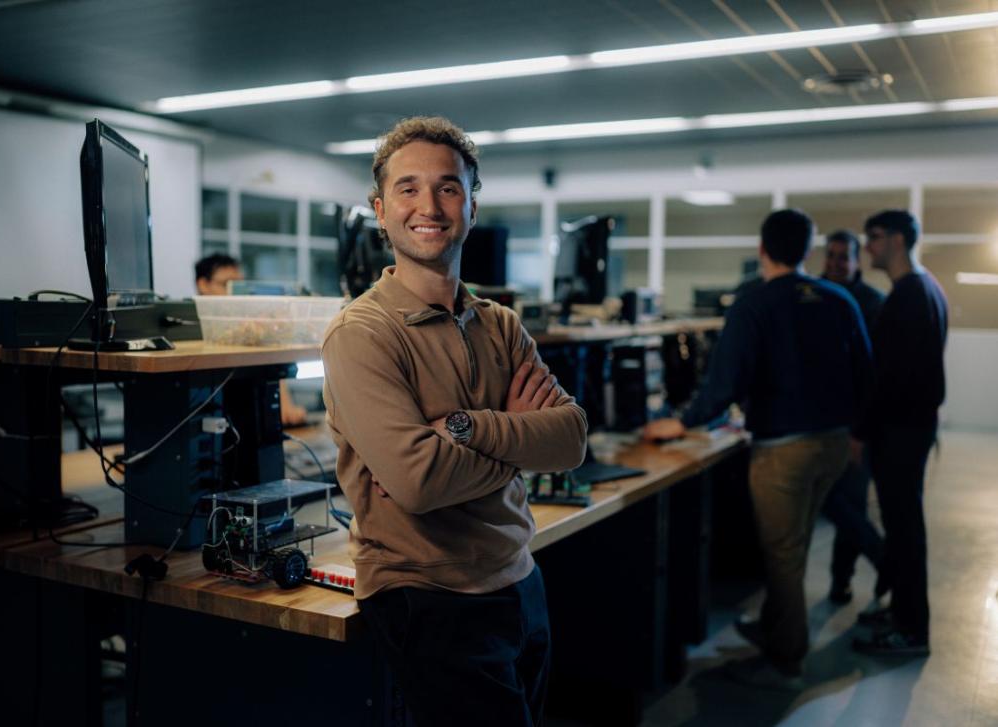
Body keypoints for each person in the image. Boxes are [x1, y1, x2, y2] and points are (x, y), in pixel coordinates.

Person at [321, 116, 587, 726]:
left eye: (448, 187)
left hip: (520, 578)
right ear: (381, 209)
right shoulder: (361, 334)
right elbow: (417, 483)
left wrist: (463, 429)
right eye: (408, 188)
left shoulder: (501, 323)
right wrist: (520, 435)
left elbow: (570, 439)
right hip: (428, 596)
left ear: (471, 205)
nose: (429, 205)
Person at [644, 209, 872, 688]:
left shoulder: (755, 302)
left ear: (762, 249)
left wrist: (679, 423)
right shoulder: (838, 298)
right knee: (797, 543)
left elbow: (723, 382)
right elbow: (865, 371)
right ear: (808, 251)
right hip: (833, 444)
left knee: (782, 554)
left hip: (784, 451)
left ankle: (785, 661)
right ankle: (773, 628)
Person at [852, 210, 947, 657]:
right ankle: (904, 613)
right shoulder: (927, 288)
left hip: (901, 430)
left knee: (905, 529)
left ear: (894, 240)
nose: (867, 247)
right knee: (903, 526)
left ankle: (911, 629)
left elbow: (889, 378)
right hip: (914, 426)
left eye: (872, 238)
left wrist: (862, 431)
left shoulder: (909, 295)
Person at [820, 230, 886, 604]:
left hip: (854, 424)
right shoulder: (814, 297)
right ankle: (883, 561)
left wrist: (861, 430)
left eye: (843, 257)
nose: (835, 263)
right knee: (831, 501)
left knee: (849, 503)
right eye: (831, 255)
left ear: (857, 260)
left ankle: (845, 579)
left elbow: (873, 374)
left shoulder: (872, 303)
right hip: (817, 421)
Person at [194, 253, 308, 426]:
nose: (234, 293)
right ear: (203, 284)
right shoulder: (190, 323)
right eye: (226, 284)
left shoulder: (247, 326)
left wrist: (285, 406)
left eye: (238, 285)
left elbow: (272, 361)